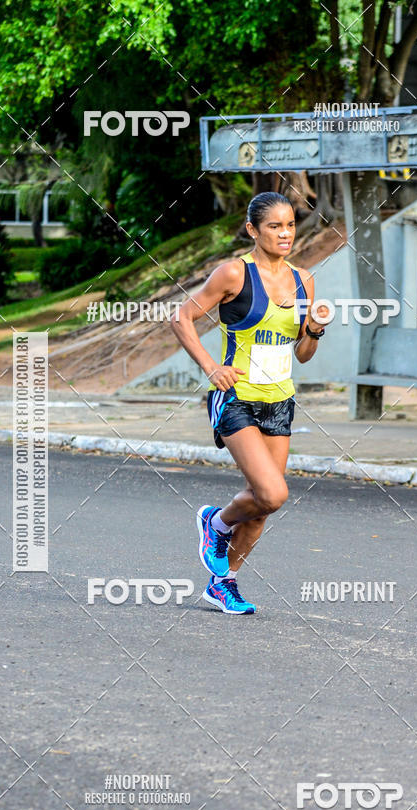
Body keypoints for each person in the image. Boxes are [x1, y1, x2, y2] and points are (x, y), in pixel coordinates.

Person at [170, 191, 328, 614]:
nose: (285, 234)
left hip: (280, 401)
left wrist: (314, 329)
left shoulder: (303, 281)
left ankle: (224, 584)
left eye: (290, 225)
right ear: (253, 230)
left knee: (260, 508)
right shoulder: (233, 274)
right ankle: (215, 522)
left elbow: (302, 354)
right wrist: (209, 366)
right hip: (235, 396)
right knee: (272, 492)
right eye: (274, 226)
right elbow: (181, 317)